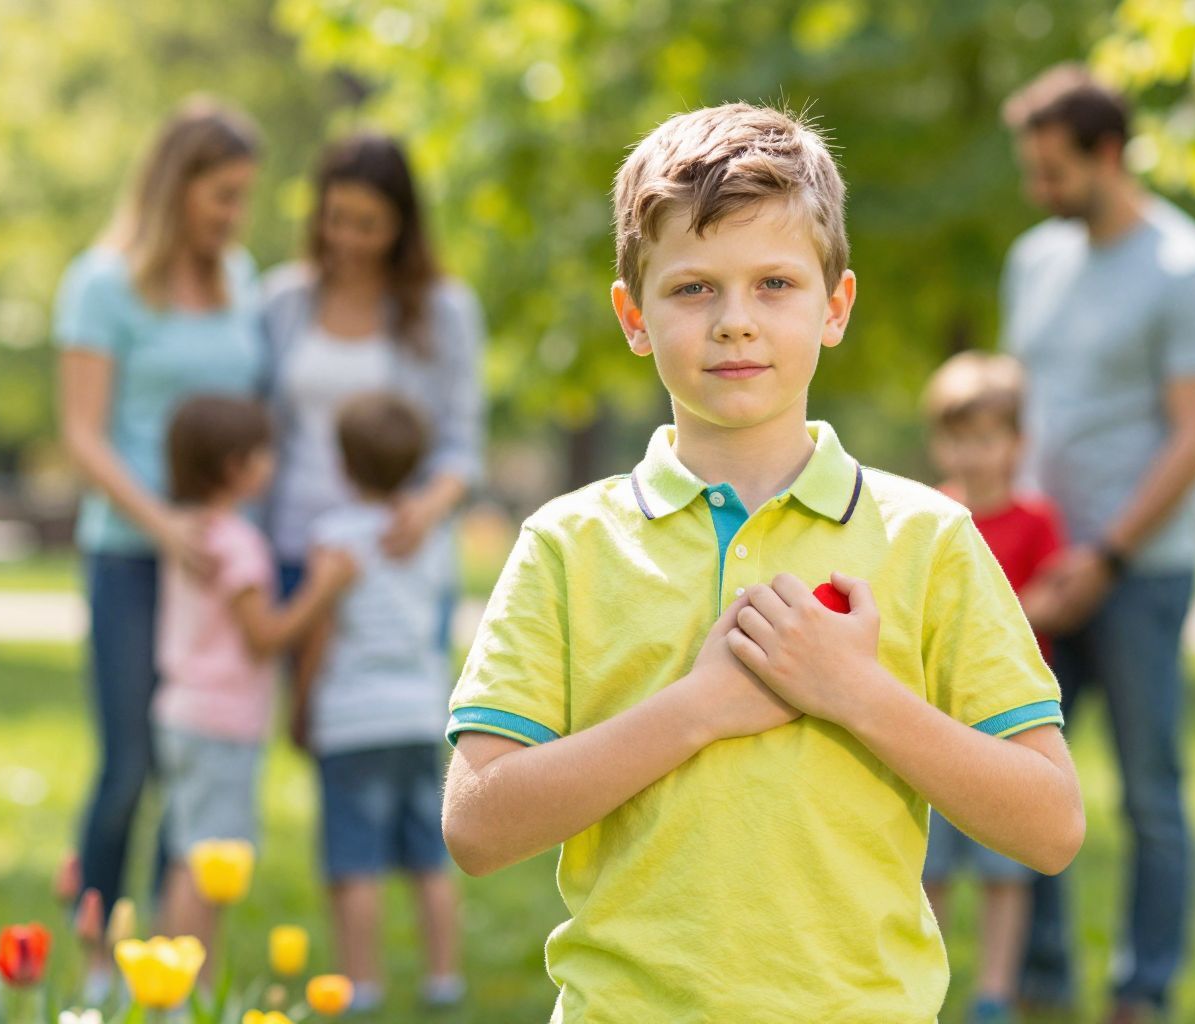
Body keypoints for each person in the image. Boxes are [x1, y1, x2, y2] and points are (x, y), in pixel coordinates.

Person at [441, 102, 1085, 1021]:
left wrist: (852, 691)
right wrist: (699, 710)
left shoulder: (930, 537)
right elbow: (476, 825)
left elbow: (1051, 825)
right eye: (693, 288)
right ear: (633, 316)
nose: (735, 322)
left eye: (775, 284)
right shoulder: (566, 545)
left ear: (836, 307)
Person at [1000, 66, 1195, 1024]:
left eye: (1055, 170)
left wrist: (1103, 556)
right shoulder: (1033, 259)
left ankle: (1142, 990)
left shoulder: (1189, 270)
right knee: (1025, 776)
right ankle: (1040, 977)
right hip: (1042, 571)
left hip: (1138, 573)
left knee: (1150, 791)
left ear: (1109, 153)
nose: (1041, 191)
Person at [55, 98, 266, 947]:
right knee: (130, 764)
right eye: (221, 195)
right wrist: (162, 524)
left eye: (242, 197)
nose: (232, 215)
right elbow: (81, 433)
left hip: (211, 561)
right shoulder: (101, 283)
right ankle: (95, 941)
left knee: (191, 763)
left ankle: (160, 951)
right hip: (130, 556)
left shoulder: (240, 278)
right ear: (177, 188)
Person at [152, 395, 354, 962]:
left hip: (181, 712)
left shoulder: (192, 533)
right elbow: (263, 637)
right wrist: (323, 588)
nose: (273, 463)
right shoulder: (239, 546)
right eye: (264, 453)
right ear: (235, 466)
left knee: (185, 854)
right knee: (209, 860)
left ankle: (173, 978)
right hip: (220, 723)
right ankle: (193, 986)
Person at [259, 134, 484, 641]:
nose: (347, 240)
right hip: (296, 550)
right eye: (336, 218)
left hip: (393, 556)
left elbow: (462, 444)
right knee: (305, 718)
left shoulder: (442, 312)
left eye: (368, 225)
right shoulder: (282, 302)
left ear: (401, 227)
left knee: (392, 712)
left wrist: (425, 510)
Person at [290, 391, 464, 1014]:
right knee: (429, 856)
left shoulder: (333, 537)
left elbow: (319, 633)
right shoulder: (434, 534)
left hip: (351, 721)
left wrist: (300, 704)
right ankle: (444, 977)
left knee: (354, 859)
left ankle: (361, 983)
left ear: (342, 463)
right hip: (421, 714)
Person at [920, 352, 1066, 1024]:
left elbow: (1051, 598)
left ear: (1016, 444)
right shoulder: (932, 517)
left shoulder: (1034, 520)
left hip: (1007, 716)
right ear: (938, 443)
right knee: (934, 864)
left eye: (987, 439)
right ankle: (932, 985)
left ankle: (995, 996)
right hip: (936, 717)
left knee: (1004, 871)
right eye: (959, 439)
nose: (973, 455)